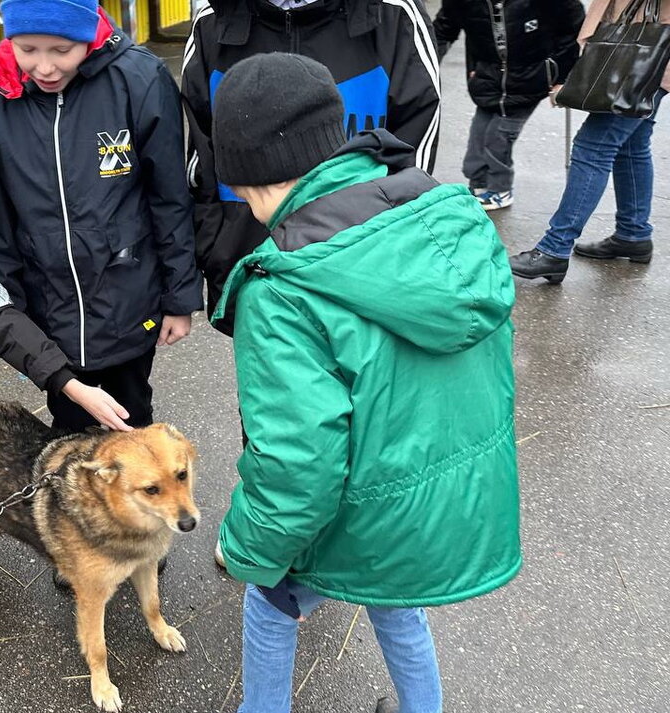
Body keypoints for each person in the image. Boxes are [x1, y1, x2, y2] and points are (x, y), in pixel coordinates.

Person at [209, 53, 521, 713]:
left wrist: (244, 544)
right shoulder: (439, 215)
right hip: (440, 503)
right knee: (396, 596)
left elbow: (298, 465)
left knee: (268, 600)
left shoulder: (283, 286)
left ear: (245, 175)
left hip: (362, 513)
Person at [0, 0, 203, 436]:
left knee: (131, 418)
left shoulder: (139, 79)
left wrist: (180, 296)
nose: (45, 66)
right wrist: (14, 309)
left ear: (89, 33)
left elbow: (169, 194)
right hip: (47, 300)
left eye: (61, 49)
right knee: (70, 423)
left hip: (129, 291)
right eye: (28, 48)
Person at [182, 0, 442, 334]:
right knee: (270, 380)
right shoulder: (213, 22)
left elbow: (413, 160)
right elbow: (199, 161)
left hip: (364, 280)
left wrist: (390, 258)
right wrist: (218, 253)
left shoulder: (393, 14)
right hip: (253, 275)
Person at [510, 0, 670, 284]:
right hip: (645, 48)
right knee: (632, 145)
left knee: (593, 147)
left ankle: (554, 250)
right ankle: (633, 234)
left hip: (646, 52)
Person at [433, 0, 585, 211]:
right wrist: (423, 66)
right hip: (487, 77)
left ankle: (500, 189)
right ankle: (479, 184)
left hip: (530, 78)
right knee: (479, 136)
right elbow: (443, 30)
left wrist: (561, 73)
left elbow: (571, 28)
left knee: (499, 135)